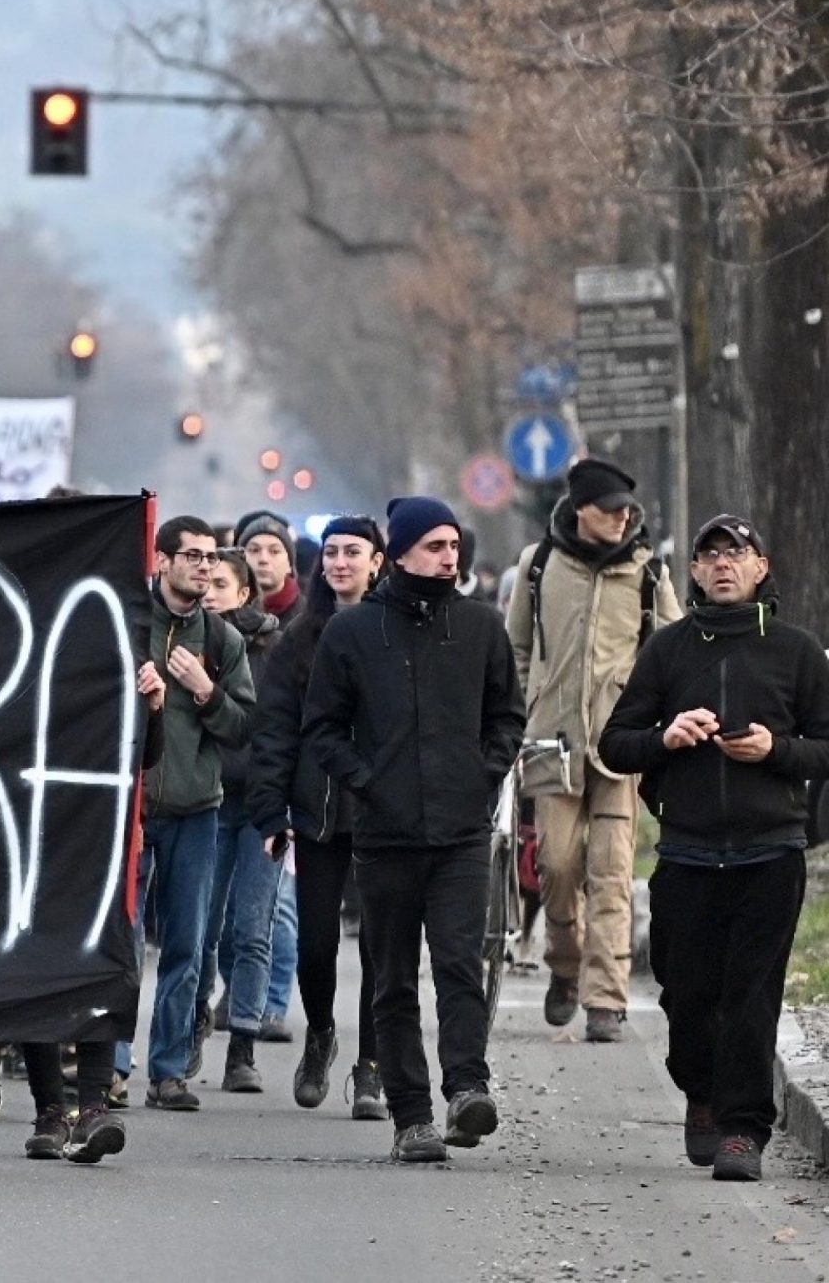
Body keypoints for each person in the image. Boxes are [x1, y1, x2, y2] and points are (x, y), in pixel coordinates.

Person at [600, 514, 829, 1182]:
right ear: (695, 571)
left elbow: (824, 744)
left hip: (771, 849)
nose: (724, 563)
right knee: (688, 995)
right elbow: (616, 742)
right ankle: (700, 1090)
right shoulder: (669, 650)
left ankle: (742, 1129)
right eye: (710, 554)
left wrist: (775, 750)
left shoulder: (796, 650)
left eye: (738, 552)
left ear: (761, 566)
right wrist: (666, 736)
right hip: (689, 851)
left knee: (753, 994)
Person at [302, 497, 522, 1164]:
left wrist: (480, 774)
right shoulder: (354, 633)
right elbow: (322, 728)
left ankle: (467, 1088)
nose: (448, 555)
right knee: (392, 977)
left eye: (453, 543)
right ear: (396, 554)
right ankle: (412, 1114)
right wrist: (369, 781)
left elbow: (507, 716)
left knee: (459, 963)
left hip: (460, 832)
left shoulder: (482, 626)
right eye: (432, 544)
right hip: (385, 835)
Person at [504, 457, 680, 1042]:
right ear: (581, 509)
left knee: (611, 872)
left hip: (622, 745)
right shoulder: (539, 565)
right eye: (610, 509)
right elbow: (517, 653)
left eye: (628, 510)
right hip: (551, 743)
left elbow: (671, 653)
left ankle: (606, 999)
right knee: (555, 865)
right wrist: (521, 717)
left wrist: (659, 726)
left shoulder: (648, 572)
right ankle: (564, 966)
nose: (622, 519)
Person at [249, 516, 387, 1118]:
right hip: (318, 812)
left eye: (352, 552)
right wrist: (271, 812)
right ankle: (322, 1034)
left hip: (386, 813)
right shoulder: (298, 641)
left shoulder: (396, 633)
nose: (340, 563)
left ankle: (372, 1068)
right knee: (316, 944)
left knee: (385, 946)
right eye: (330, 553)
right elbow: (275, 732)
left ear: (378, 562)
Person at [129, 515, 256, 1112]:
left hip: (197, 810)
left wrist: (206, 691)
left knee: (188, 942)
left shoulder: (223, 640)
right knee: (121, 941)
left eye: (211, 558)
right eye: (193, 557)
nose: (205, 567)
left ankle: (169, 1069)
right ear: (162, 561)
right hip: (131, 809)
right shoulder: (131, 624)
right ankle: (108, 1064)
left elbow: (244, 729)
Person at [201, 547, 287, 1094]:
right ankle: (188, 1036)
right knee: (203, 930)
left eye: (220, 583)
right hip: (204, 801)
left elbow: (275, 724)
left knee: (252, 927)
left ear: (244, 593)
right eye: (203, 581)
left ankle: (243, 1048)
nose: (208, 591)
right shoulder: (183, 641)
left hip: (259, 803)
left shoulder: (272, 648)